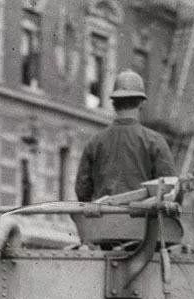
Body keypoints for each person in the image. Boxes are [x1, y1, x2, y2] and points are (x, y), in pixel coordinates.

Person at [74, 69, 176, 203]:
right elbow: (171, 190)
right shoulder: (155, 142)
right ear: (141, 103)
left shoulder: (94, 143)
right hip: (143, 221)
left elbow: (82, 190)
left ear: (114, 103)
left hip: (103, 220)